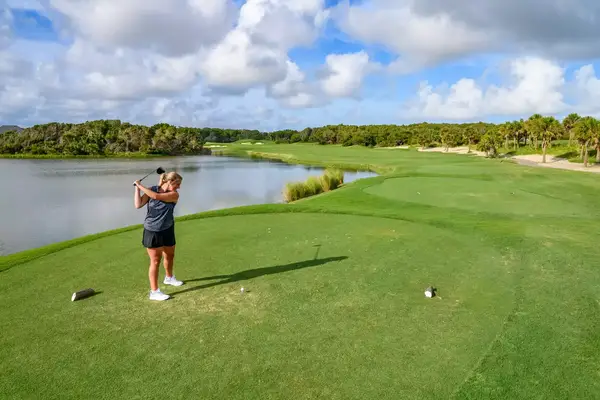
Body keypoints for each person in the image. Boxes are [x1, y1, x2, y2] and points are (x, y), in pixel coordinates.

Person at [134, 171, 184, 301]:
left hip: (167, 228)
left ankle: (169, 278)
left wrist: (140, 185)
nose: (179, 187)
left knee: (170, 255)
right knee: (155, 261)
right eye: (177, 184)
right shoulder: (152, 190)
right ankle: (154, 291)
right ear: (169, 182)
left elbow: (156, 196)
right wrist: (137, 189)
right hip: (152, 230)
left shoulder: (174, 195)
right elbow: (138, 204)